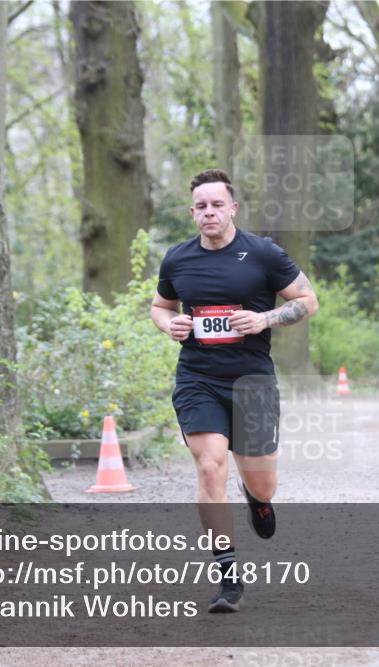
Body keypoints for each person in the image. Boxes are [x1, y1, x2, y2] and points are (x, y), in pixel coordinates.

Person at [150, 168, 319, 613]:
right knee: (210, 468)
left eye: (217, 204)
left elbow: (307, 300)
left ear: (233, 208)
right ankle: (228, 578)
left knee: (264, 484)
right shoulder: (177, 260)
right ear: (192, 212)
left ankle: (256, 498)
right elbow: (160, 306)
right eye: (201, 206)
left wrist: (264, 319)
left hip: (253, 381)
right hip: (197, 378)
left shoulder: (263, 253)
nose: (209, 212)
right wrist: (172, 324)